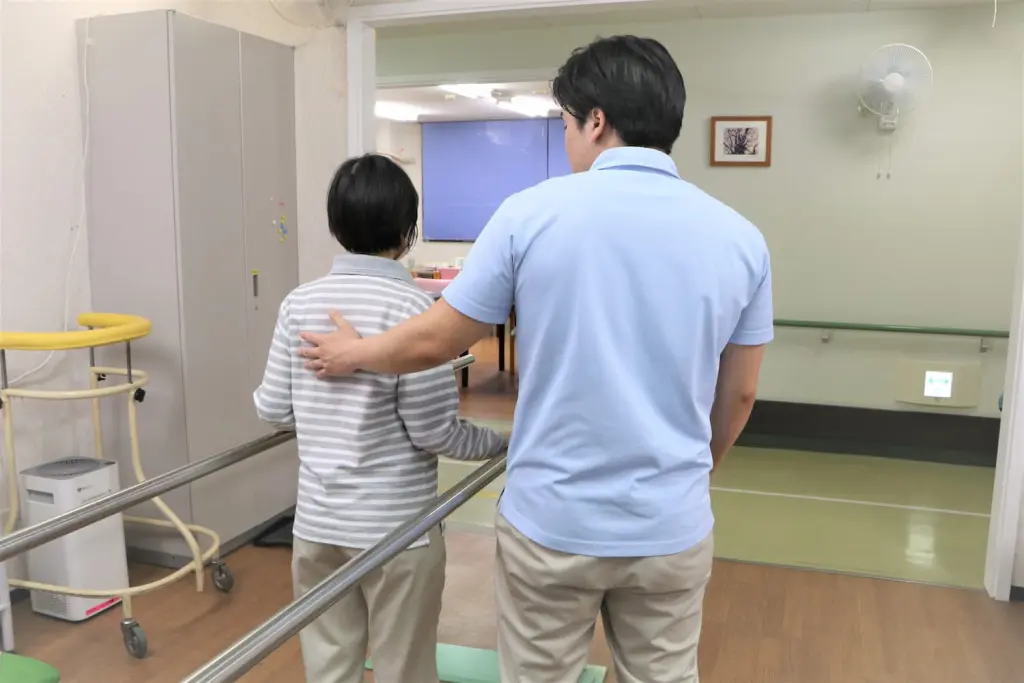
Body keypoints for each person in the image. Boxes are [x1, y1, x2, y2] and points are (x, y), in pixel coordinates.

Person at [299, 35, 773, 683]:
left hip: (552, 522)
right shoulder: (741, 238)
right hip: (669, 524)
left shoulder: (530, 214)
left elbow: (438, 339)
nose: (568, 138)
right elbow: (740, 392)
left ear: (596, 121)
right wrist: (692, 474)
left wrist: (355, 352)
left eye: (567, 123)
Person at [253, 154, 508, 683]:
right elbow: (435, 432)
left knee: (329, 668)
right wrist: (502, 443)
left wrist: (324, 412)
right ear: (407, 230)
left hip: (319, 525)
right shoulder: (415, 312)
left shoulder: (298, 304)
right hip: (396, 532)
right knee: (403, 669)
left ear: (336, 224)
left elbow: (272, 408)